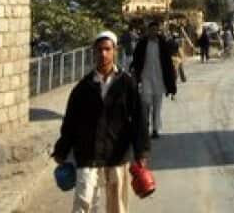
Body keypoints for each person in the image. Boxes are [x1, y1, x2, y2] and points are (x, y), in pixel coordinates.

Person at [52, 30, 150, 213]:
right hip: (88, 152)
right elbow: (71, 122)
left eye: (107, 49)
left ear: (115, 51)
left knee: (117, 206)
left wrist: (141, 151)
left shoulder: (127, 84)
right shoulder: (83, 87)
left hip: (117, 151)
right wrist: (62, 150)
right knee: (84, 202)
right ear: (93, 52)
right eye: (99, 50)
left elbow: (139, 119)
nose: (103, 54)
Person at [131, 21, 177, 139]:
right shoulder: (142, 44)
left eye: (156, 30)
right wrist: (134, 72)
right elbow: (136, 59)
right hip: (146, 77)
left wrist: (171, 83)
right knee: (145, 102)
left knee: (157, 105)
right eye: (151, 30)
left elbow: (168, 64)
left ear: (158, 31)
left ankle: (155, 129)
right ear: (148, 31)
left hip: (159, 78)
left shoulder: (162, 44)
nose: (153, 32)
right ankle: (145, 126)